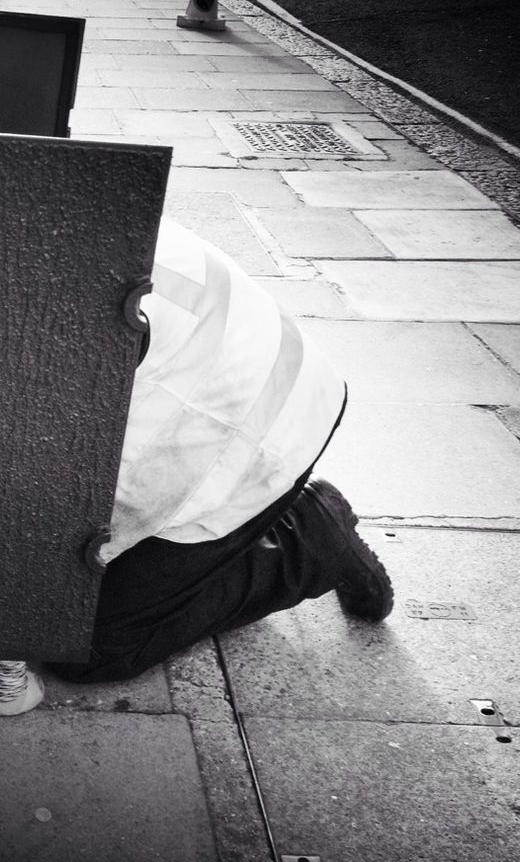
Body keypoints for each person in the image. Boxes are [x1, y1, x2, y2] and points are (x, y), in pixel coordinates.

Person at [46, 220, 394, 684]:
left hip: (269, 426)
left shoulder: (130, 418)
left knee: (86, 642)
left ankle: (308, 537)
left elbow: (99, 528)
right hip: (256, 362)